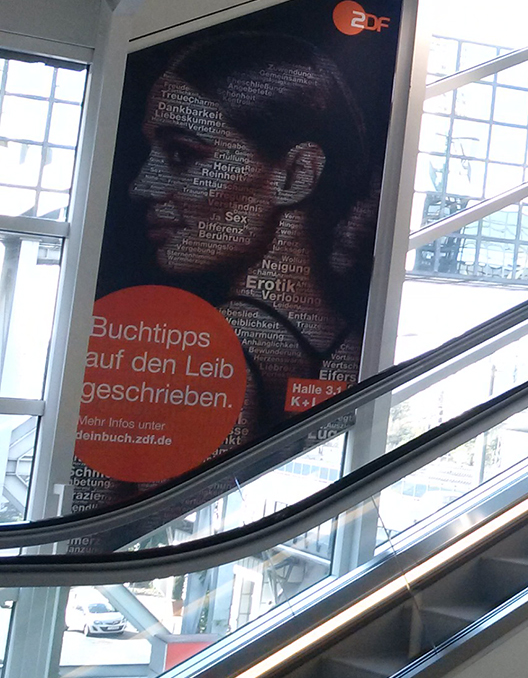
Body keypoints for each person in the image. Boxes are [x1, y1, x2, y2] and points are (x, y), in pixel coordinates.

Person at [76, 33, 377, 511]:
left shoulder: (201, 355)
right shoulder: (355, 349)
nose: (142, 185)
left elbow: (142, 541)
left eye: (181, 154)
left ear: (296, 175)